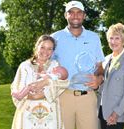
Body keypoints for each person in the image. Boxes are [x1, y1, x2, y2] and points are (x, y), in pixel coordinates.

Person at [50, 1, 105, 129]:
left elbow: (100, 66)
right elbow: (46, 65)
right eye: (71, 12)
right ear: (65, 15)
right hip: (62, 95)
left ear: (84, 15)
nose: (75, 15)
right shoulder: (55, 38)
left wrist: (99, 79)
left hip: (87, 97)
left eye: (79, 12)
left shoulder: (94, 37)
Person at [11, 35, 68, 129]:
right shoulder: (24, 66)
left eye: (49, 49)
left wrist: (45, 86)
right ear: (36, 47)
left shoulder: (55, 66)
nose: (45, 51)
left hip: (50, 114)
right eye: (42, 47)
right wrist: (30, 96)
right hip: (27, 114)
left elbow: (62, 84)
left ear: (53, 51)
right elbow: (16, 88)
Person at [97, 23, 124, 129]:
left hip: (115, 114)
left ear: (123, 40)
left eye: (117, 38)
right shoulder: (105, 59)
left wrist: (116, 113)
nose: (113, 42)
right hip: (100, 110)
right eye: (111, 38)